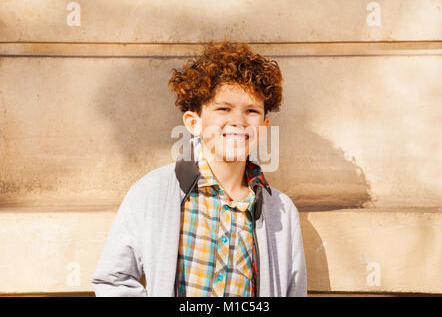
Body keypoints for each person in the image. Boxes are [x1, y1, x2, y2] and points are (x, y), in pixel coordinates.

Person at [91, 40, 307, 297]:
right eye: (223, 109)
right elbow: (113, 279)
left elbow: (295, 291)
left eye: (251, 111)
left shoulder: (280, 211)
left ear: (264, 126)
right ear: (194, 123)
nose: (238, 121)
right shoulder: (152, 192)